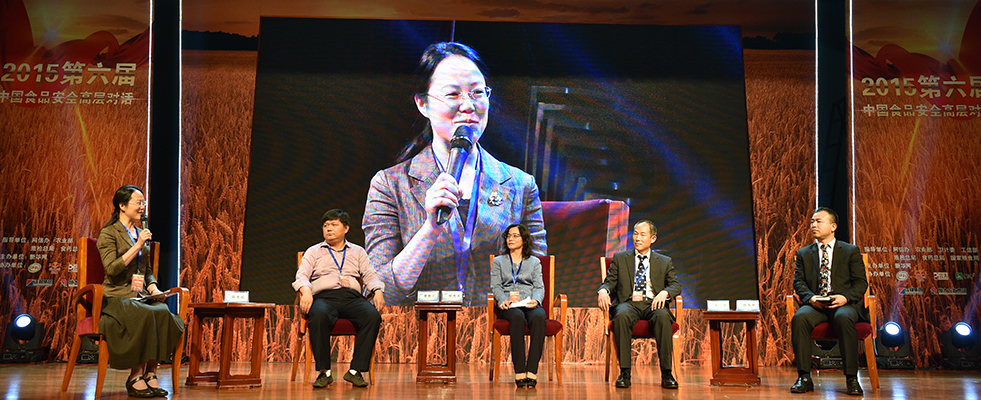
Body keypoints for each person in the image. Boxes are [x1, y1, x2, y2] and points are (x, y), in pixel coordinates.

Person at [363, 42, 546, 306]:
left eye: (477, 92)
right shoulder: (390, 185)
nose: (468, 105)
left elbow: (536, 282)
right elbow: (379, 293)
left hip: (494, 324)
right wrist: (430, 229)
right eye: (452, 94)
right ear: (422, 103)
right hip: (417, 326)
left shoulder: (521, 185)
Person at [96, 185, 184, 398]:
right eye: (138, 203)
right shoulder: (109, 233)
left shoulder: (139, 233)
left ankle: (151, 372)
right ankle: (135, 376)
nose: (142, 207)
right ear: (122, 205)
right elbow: (112, 269)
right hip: (116, 296)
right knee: (143, 313)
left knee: (162, 311)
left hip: (140, 295)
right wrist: (137, 245)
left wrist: (154, 289)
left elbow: (147, 271)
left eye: (143, 203)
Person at [293, 209, 385, 388]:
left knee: (372, 316)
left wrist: (378, 290)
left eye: (334, 225)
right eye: (325, 225)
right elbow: (301, 276)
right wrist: (306, 291)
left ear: (346, 228)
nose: (329, 229)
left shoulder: (358, 251)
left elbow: (370, 274)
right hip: (324, 297)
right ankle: (324, 372)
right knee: (319, 315)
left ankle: (355, 371)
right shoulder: (314, 251)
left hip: (352, 298)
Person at [790, 207, 869, 396]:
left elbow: (861, 283)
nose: (813, 225)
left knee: (844, 318)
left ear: (833, 226)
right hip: (816, 305)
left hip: (843, 304)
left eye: (819, 221)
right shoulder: (803, 253)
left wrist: (845, 297)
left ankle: (851, 378)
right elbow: (798, 283)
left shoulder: (850, 251)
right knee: (800, 318)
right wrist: (811, 298)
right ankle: (804, 377)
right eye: (812, 221)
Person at [597, 220, 681, 389]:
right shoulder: (620, 258)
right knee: (621, 315)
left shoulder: (664, 261)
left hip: (653, 304)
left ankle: (667, 374)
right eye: (635, 234)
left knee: (663, 316)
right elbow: (609, 282)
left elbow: (675, 285)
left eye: (643, 235)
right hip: (629, 303)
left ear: (653, 238)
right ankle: (625, 373)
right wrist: (603, 290)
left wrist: (665, 292)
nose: (638, 238)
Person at [490, 224, 546, 388]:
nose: (511, 239)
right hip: (509, 304)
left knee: (539, 316)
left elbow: (539, 286)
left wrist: (536, 300)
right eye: (508, 236)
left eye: (515, 236)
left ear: (524, 239)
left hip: (529, 302)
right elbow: (496, 286)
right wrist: (502, 300)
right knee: (517, 317)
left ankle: (532, 370)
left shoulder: (534, 262)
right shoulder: (499, 262)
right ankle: (520, 370)